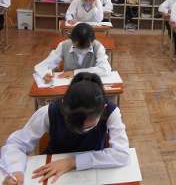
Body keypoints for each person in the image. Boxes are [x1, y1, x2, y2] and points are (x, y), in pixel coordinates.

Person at [0, 72, 130, 184]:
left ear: (103, 109)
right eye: (74, 123)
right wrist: (15, 170)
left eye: (89, 124)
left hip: (92, 169)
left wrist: (73, 162)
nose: (82, 129)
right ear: (65, 106)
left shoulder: (111, 111)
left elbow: (122, 154)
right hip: (52, 169)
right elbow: (16, 144)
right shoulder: (48, 112)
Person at [34, 23, 111, 81]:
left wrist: (75, 73)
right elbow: (43, 65)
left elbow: (105, 69)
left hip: (89, 84)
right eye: (77, 46)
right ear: (72, 40)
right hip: (68, 84)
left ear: (92, 41)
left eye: (86, 47)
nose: (81, 50)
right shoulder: (64, 45)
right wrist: (45, 73)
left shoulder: (98, 47)